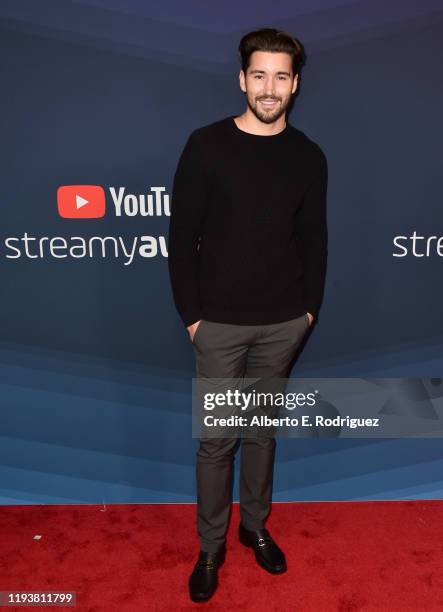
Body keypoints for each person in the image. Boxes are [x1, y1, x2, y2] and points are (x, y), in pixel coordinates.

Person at [167, 27, 328, 603]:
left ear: (295, 84)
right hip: (219, 327)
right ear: (241, 79)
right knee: (217, 442)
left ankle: (254, 526)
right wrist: (194, 317)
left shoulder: (308, 156)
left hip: (284, 323)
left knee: (261, 435)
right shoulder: (206, 145)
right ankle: (210, 545)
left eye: (280, 76)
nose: (269, 87)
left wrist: (308, 312)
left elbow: (314, 240)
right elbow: (180, 236)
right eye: (258, 74)